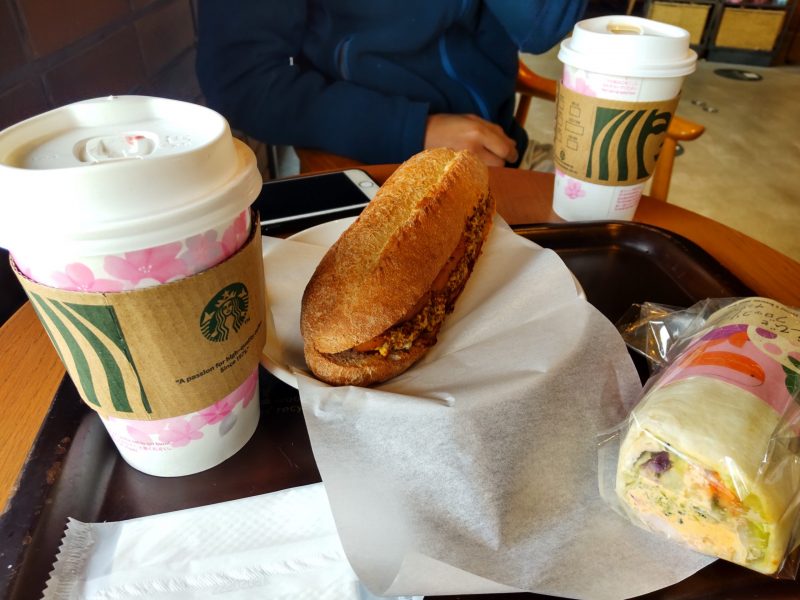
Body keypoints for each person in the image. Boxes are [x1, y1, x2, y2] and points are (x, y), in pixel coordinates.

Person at [196, 1, 586, 168]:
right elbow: (240, 80)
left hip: (502, 149)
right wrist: (415, 131)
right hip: (371, 166)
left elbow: (541, 27)